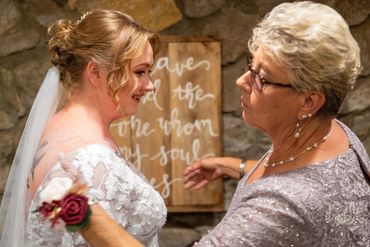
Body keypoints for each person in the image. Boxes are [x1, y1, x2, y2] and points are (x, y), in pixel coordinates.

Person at [45, 2, 370, 247]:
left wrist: (83, 215)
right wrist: (233, 165)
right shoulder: (334, 132)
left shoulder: (279, 209)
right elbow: (298, 173)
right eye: (250, 66)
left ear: (309, 102)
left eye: (262, 78)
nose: (242, 80)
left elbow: (293, 194)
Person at [0, 9, 166, 247]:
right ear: (96, 73)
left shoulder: (61, 124)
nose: (150, 86)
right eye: (140, 72)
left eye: (148, 72)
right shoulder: (88, 159)